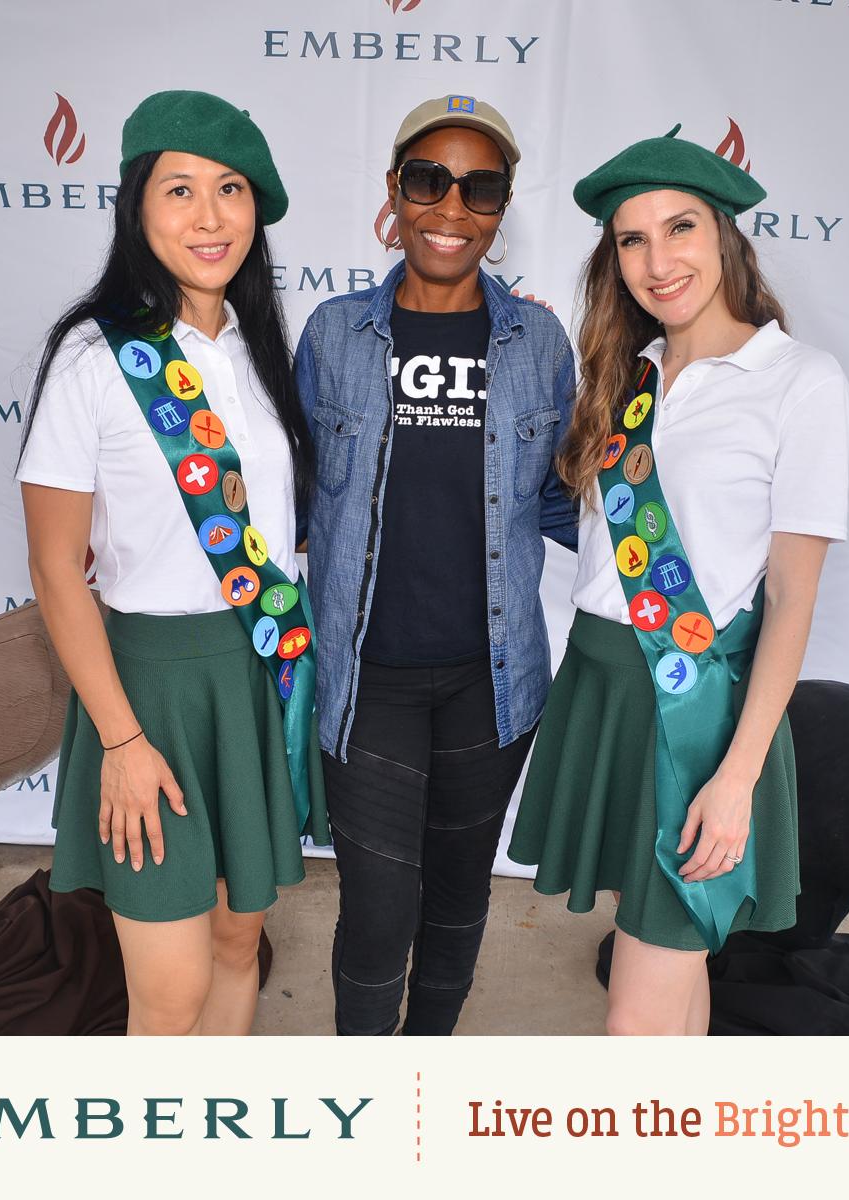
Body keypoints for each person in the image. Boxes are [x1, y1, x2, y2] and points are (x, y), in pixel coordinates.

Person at [508, 126, 849, 1036]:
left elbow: (791, 598)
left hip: (689, 712)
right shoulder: (629, 380)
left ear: (726, 239)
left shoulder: (800, 382)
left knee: (637, 1014)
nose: (658, 261)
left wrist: (736, 774)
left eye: (681, 228)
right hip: (600, 689)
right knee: (672, 954)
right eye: (633, 239)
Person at [15, 90, 326, 1036]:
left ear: (257, 210)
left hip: (257, 678)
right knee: (169, 989)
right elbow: (56, 570)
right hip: (147, 692)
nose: (207, 217)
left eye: (230, 190)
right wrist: (118, 738)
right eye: (179, 190)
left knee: (240, 947)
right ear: (136, 208)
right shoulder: (93, 359)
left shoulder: (259, 350)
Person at [294, 95, 578, 1036]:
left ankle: (428, 1076)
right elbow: (284, 494)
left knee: (459, 899)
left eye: (480, 188)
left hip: (489, 683)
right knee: (377, 910)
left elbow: (556, 499)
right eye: (428, 180)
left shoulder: (539, 345)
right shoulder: (334, 336)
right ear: (395, 191)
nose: (450, 207)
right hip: (366, 674)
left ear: (500, 209)